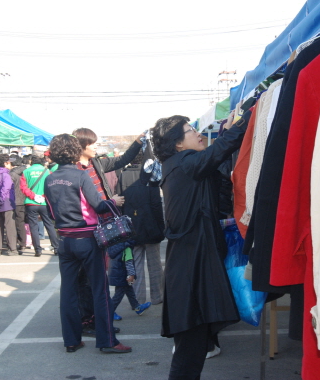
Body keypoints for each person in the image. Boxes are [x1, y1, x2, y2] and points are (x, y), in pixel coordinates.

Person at [150, 111, 249, 379]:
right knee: (190, 346)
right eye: (191, 131)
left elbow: (216, 164)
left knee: (195, 341)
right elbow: (221, 150)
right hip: (190, 266)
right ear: (178, 143)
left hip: (191, 260)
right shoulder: (185, 163)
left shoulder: (179, 164)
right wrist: (246, 119)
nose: (198, 133)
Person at [43, 133, 131, 354]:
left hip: (65, 240)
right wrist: (113, 202)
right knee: (100, 290)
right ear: (75, 151)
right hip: (87, 239)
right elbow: (99, 206)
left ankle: (71, 340)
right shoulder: (81, 175)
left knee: (68, 292)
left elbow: (51, 212)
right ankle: (107, 341)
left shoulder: (49, 179)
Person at [72, 128, 143, 332]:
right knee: (85, 278)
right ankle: (88, 320)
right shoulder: (72, 170)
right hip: (85, 229)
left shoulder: (96, 163)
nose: (96, 147)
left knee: (98, 276)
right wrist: (111, 202)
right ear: (81, 146)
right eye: (92, 143)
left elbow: (122, 160)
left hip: (105, 227)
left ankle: (98, 320)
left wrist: (138, 142)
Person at [115, 151, 165, 307]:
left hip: (131, 226)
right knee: (154, 263)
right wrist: (161, 226)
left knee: (135, 263)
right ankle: (158, 296)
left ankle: (138, 299)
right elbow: (156, 203)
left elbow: (120, 202)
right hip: (151, 225)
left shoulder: (123, 175)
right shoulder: (150, 176)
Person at [20, 154, 59, 256]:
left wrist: (33, 196)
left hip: (30, 202)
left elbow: (23, 188)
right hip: (44, 202)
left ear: (31, 162)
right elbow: (52, 186)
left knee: (33, 226)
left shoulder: (26, 172)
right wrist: (43, 196)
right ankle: (56, 248)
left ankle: (37, 250)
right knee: (49, 225)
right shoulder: (47, 171)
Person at [107, 240, 152, 319]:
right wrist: (131, 275)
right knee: (118, 295)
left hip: (117, 274)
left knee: (129, 291)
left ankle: (137, 307)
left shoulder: (115, 245)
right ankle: (110, 312)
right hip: (123, 275)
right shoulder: (127, 247)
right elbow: (129, 263)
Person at [0, 153, 18, 256]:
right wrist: (1, 200)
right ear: (5, 163)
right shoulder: (6, 175)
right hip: (6, 202)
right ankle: (12, 249)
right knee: (10, 226)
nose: (11, 164)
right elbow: (5, 189)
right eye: (9, 162)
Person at [8, 155, 28, 254]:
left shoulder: (12, 174)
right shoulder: (26, 171)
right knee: (21, 223)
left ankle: (20, 243)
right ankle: (23, 243)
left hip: (15, 200)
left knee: (16, 223)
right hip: (25, 199)